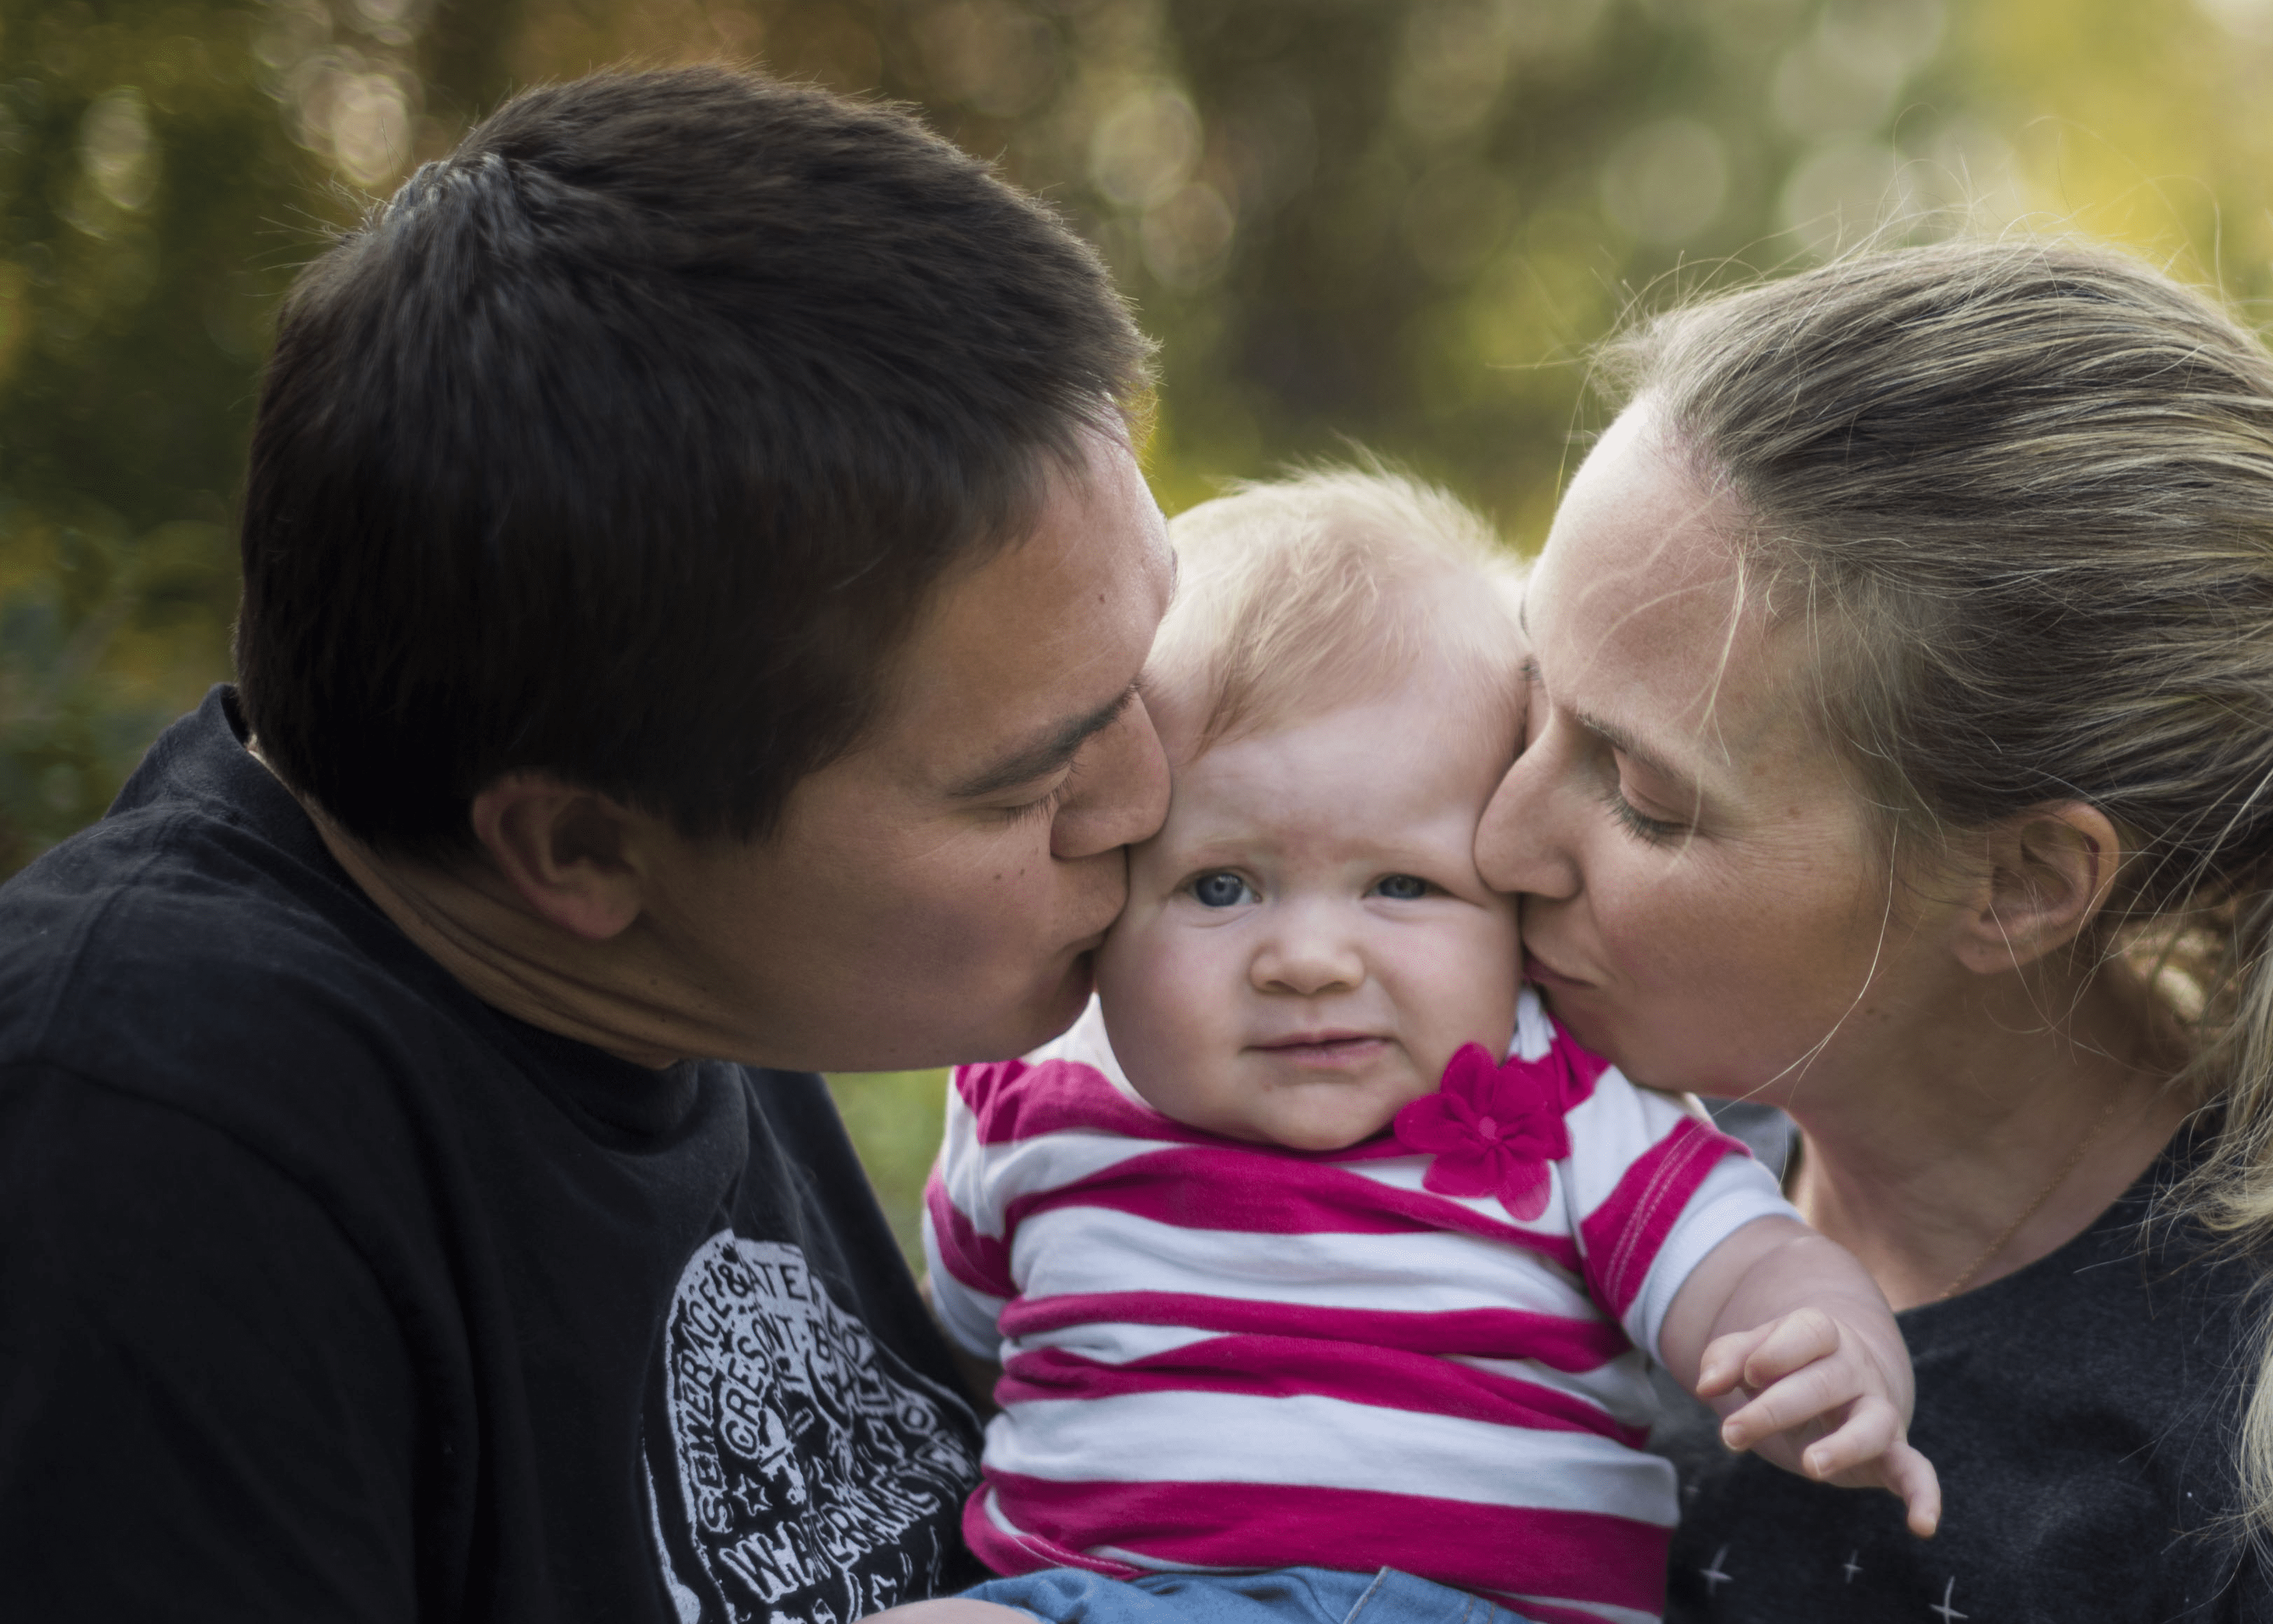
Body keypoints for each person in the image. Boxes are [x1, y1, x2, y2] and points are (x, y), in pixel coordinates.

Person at [0, 69, 1174, 1620]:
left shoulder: (676, 952)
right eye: (1030, 781)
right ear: (581, 851)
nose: (1152, 792)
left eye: (1156, 667)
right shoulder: (150, 1143)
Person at [1474, 237, 2273, 1621]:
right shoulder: (1585, 1173)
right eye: (1528, 690)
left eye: (1646, 796)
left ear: (2020, 884)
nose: (1498, 836)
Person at [879, 473, 1937, 1624]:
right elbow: (974, 1348)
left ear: (1507, 912)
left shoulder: (1558, 1096)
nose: (1311, 958)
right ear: (1109, 888)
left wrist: (1823, 1352)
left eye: (1402, 883)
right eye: (1221, 885)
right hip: (1102, 1597)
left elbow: (1744, 1262)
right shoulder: (1036, 1092)